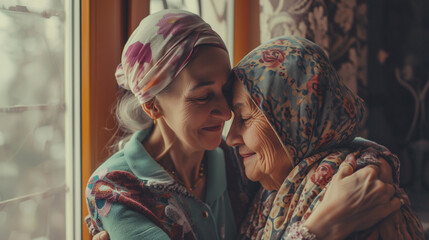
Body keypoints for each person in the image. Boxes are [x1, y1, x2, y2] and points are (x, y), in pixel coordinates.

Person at [86, 10, 404, 240]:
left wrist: (375, 164)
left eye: (226, 93)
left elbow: (329, 145)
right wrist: (319, 229)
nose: (225, 112)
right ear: (153, 105)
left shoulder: (233, 162)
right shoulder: (115, 189)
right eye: (202, 97)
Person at [227, 36, 425, 239]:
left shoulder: (358, 194)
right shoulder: (271, 189)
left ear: (296, 119)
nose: (230, 138)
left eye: (243, 118)